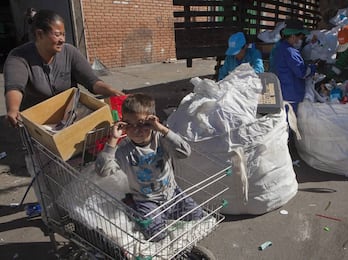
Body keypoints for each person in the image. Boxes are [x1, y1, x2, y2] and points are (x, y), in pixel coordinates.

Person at [95, 93, 204, 242]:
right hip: (146, 200)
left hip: (172, 193)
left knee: (198, 216)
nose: (136, 130)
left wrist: (161, 129)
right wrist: (113, 140)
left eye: (142, 124)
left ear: (152, 122)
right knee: (157, 235)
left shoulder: (160, 139)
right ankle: (135, 210)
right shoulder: (123, 149)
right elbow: (103, 171)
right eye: (129, 125)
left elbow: (185, 152)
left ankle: (165, 215)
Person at [3, 9, 124, 128]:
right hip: (39, 122)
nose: (62, 39)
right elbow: (15, 86)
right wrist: (13, 109)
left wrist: (112, 91)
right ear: (39, 34)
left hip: (70, 116)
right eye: (57, 34)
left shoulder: (69, 52)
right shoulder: (19, 56)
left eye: (63, 34)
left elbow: (91, 81)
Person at [269, 19, 317, 112]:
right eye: (300, 37)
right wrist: (313, 68)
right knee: (291, 119)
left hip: (280, 91)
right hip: (291, 93)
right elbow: (301, 73)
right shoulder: (290, 52)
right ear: (293, 36)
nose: (300, 39)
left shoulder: (278, 47)